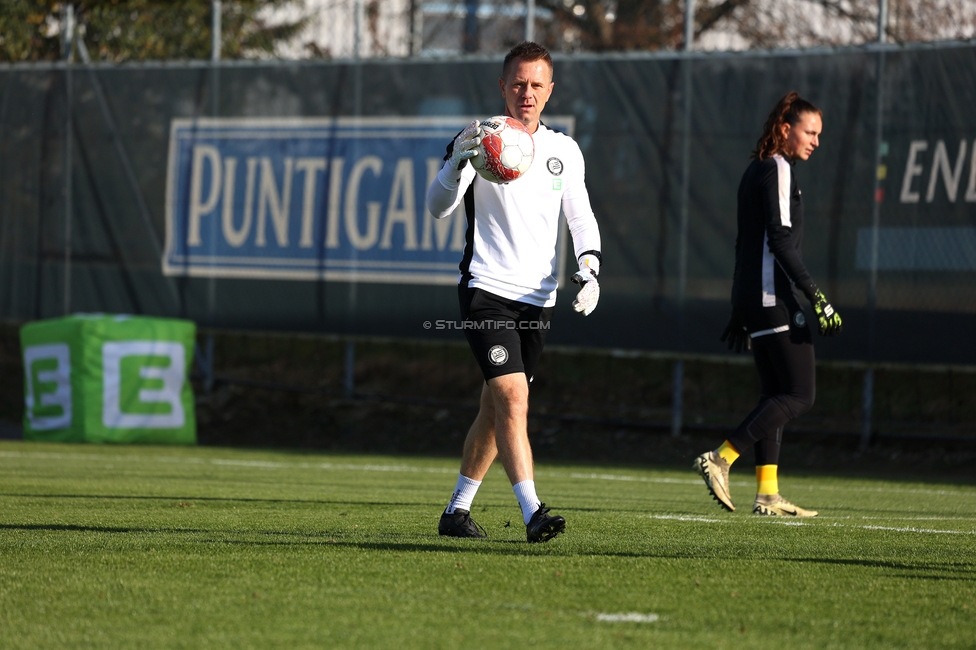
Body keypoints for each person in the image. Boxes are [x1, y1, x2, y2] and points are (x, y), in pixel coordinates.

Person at [425, 41, 602, 543]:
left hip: (538, 300)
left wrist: (590, 267)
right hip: (486, 290)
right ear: (502, 86)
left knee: (494, 407)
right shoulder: (478, 140)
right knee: (513, 397)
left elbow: (581, 216)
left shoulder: (564, 150)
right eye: (517, 83)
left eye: (536, 85)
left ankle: (456, 512)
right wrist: (456, 162)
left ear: (550, 90)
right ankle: (533, 511)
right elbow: (438, 207)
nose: (526, 93)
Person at [693, 91, 843, 518]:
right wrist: (816, 296)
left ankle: (768, 494)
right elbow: (777, 241)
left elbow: (747, 243)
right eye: (808, 131)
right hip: (772, 295)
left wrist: (739, 309)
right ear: (784, 130)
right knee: (799, 393)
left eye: (818, 133)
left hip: (756, 296)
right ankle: (721, 457)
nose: (815, 140)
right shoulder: (776, 167)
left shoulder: (756, 169)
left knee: (775, 392)